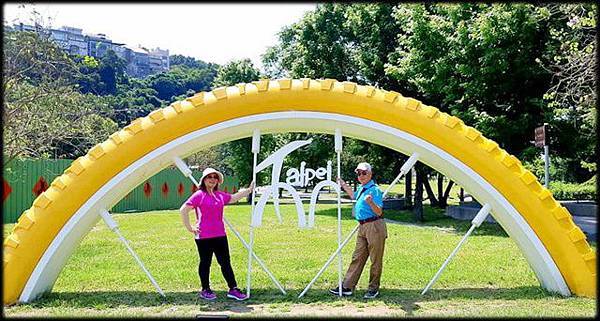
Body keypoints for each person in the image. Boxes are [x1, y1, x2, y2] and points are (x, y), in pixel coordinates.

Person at [180, 167, 254, 301]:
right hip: (203, 237)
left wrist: (248, 190)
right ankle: (205, 289)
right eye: (210, 177)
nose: (212, 179)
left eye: (215, 177)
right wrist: (190, 227)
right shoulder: (199, 195)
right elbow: (183, 210)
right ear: (204, 180)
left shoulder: (220, 195)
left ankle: (233, 289)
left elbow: (234, 197)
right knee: (205, 263)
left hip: (220, 235)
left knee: (225, 262)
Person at [330, 162, 387, 299]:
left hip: (374, 226)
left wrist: (371, 202)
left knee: (375, 259)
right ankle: (347, 287)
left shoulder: (374, 190)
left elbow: (379, 212)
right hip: (362, 226)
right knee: (357, 257)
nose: (361, 176)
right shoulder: (362, 188)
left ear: (370, 174)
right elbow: (353, 196)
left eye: (364, 173)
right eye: (359, 173)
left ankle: (373, 289)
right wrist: (343, 184)